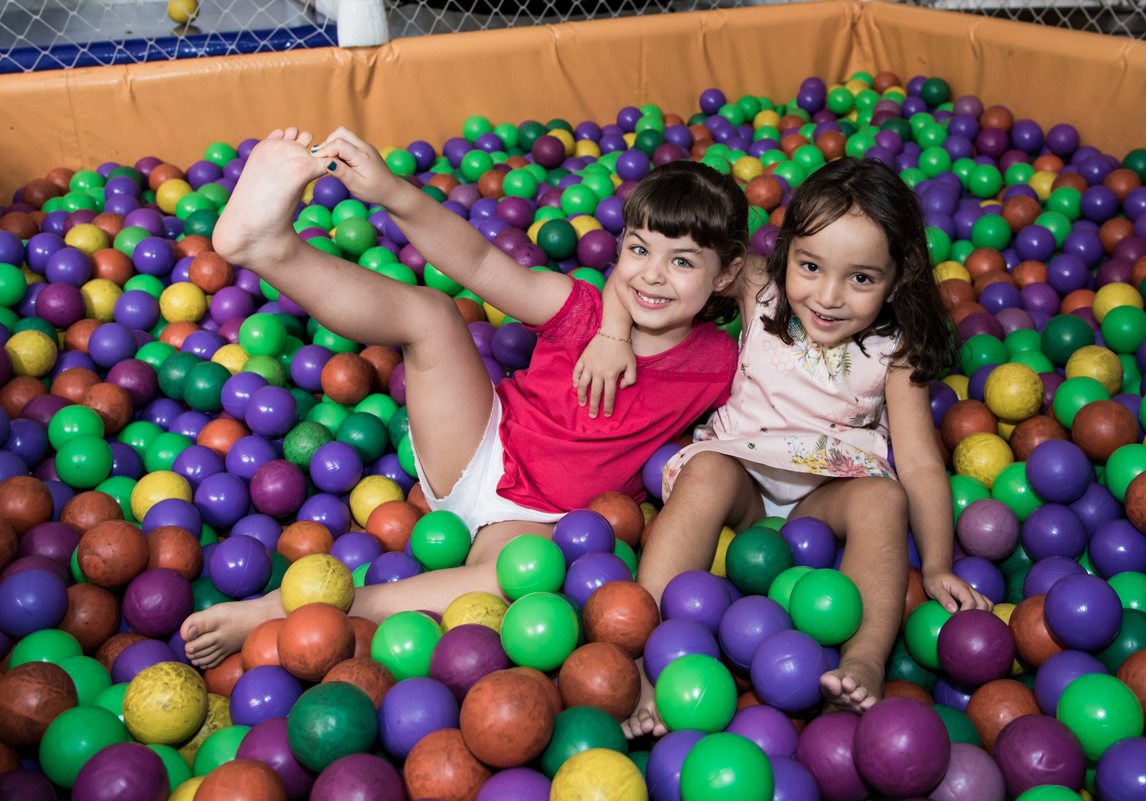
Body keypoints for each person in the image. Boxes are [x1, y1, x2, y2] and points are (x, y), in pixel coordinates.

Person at [180, 126, 746, 669]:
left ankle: (288, 611)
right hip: (479, 445)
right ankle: (269, 249)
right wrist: (390, 192)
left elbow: (787, 293)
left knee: (518, 580)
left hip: (538, 524)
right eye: (639, 249)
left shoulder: (721, 361)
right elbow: (478, 262)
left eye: (682, 262)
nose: (651, 276)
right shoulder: (580, 311)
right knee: (431, 313)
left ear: (726, 275)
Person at [573, 157, 992, 735]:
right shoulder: (756, 287)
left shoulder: (896, 351)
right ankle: (645, 657)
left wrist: (940, 563)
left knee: (884, 499)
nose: (828, 295)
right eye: (811, 266)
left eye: (862, 278)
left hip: (826, 493)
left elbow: (920, 463)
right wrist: (612, 334)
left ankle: (863, 662)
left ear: (898, 278)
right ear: (785, 251)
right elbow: (644, 272)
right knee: (708, 470)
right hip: (744, 472)